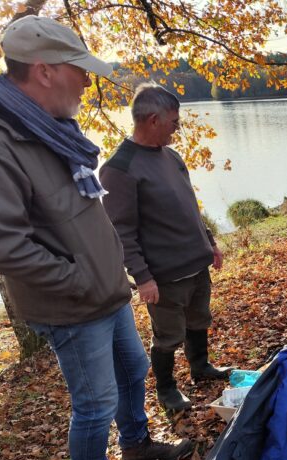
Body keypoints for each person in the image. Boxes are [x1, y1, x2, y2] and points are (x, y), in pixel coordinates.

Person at [0, 16, 192, 460]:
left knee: (133, 371)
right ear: (44, 70)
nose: (87, 82)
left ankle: (136, 445)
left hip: (106, 293)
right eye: (78, 70)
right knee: (95, 403)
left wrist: (106, 274)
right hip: (71, 304)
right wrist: (79, 280)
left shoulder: (49, 127)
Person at [100, 84, 230, 413]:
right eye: (174, 122)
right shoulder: (119, 168)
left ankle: (200, 366)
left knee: (199, 319)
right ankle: (167, 389)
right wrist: (142, 277)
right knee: (168, 335)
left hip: (196, 263)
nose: (178, 128)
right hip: (164, 276)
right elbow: (121, 231)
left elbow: (189, 207)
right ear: (153, 120)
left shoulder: (171, 156)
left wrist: (209, 242)